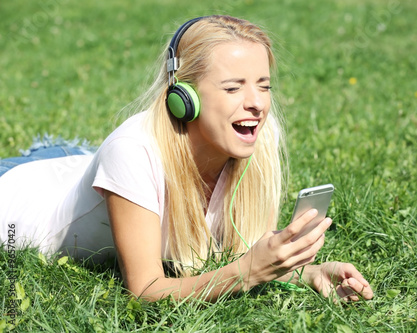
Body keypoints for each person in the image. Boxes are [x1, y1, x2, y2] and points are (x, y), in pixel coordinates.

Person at [0, 15, 373, 302]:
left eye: (263, 85)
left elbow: (245, 251)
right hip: (17, 203)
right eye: (232, 87)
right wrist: (246, 272)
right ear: (183, 98)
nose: (257, 103)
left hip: (75, 166)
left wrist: (309, 272)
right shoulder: (133, 150)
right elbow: (145, 290)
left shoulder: (256, 132)